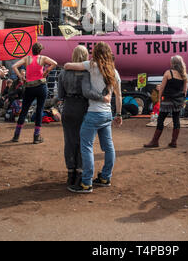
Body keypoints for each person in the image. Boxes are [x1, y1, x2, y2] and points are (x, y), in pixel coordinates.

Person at [64, 42, 122, 194]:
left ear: (95, 53)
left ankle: (86, 183)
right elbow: (119, 96)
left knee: (86, 146)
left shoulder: (92, 66)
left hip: (93, 113)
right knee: (108, 147)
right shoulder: (114, 72)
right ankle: (105, 177)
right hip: (107, 114)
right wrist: (119, 114)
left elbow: (67, 66)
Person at [58, 45, 111, 189]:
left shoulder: (63, 72)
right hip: (83, 108)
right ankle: (80, 173)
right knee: (83, 142)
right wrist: (103, 97)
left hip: (68, 108)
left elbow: (60, 95)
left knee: (69, 141)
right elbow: (88, 92)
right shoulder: (87, 72)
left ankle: (70, 173)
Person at [11, 43, 57, 144]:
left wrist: (21, 77)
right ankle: (36, 136)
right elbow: (55, 63)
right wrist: (46, 71)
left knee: (24, 110)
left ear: (32, 50)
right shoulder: (42, 58)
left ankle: (16, 135)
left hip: (29, 87)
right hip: (41, 86)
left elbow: (14, 66)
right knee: (39, 110)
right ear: (40, 51)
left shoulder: (27, 58)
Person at [144, 56, 188, 149]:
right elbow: (185, 91)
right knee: (176, 120)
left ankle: (155, 141)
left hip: (168, 100)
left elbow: (162, 87)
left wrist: (159, 99)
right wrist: (181, 100)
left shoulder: (168, 73)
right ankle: (174, 142)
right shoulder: (184, 75)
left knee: (161, 120)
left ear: (172, 63)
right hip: (178, 101)